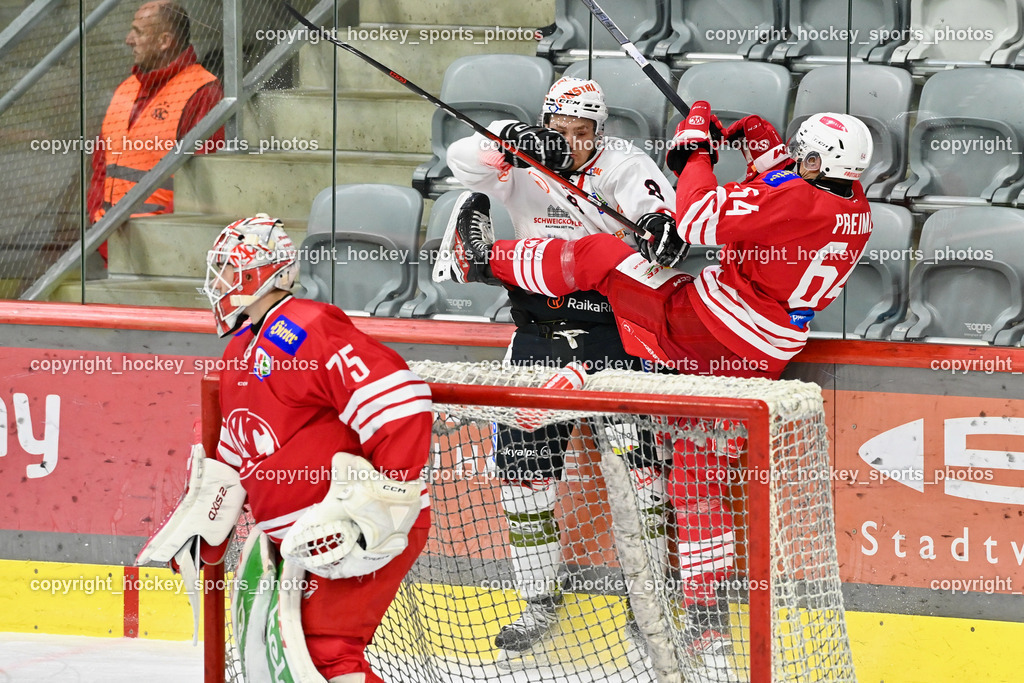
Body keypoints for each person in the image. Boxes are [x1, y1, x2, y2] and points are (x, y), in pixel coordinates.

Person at [437, 104, 874, 672]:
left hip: (709, 330)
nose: (794, 158)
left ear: (817, 159)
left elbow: (694, 217)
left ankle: (477, 260)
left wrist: (695, 148)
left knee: (601, 256)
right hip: (766, 353)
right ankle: (706, 622)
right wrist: (760, 141)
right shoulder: (854, 207)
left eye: (801, 152)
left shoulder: (787, 196)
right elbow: (785, 192)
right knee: (697, 484)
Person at [138, 215, 432, 682]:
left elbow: (400, 400)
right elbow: (236, 450)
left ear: (259, 274)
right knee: (290, 660)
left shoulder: (306, 326)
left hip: (353, 530)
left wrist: (380, 515)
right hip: (297, 544)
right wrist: (206, 526)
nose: (219, 283)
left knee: (325, 653)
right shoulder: (240, 349)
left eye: (228, 270)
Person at [438, 76, 676, 653]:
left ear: (600, 130)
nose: (570, 141)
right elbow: (460, 157)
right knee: (524, 483)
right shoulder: (518, 153)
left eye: (582, 131)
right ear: (543, 124)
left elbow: (660, 212)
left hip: (615, 341)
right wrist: (510, 141)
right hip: (537, 337)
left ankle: (649, 608)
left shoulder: (622, 164)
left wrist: (658, 227)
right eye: (559, 130)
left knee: (644, 481)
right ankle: (538, 599)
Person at [87, 0, 224, 261]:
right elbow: (100, 167)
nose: (128, 40)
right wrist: (97, 218)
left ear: (164, 41)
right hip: (111, 243)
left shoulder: (203, 92)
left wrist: (163, 237)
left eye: (138, 32)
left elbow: (203, 182)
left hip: (164, 249)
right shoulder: (125, 89)